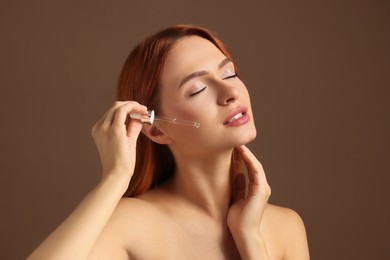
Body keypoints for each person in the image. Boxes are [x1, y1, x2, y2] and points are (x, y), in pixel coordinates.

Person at [28, 25, 310, 259]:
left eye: (229, 73)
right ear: (157, 130)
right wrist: (114, 180)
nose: (230, 92)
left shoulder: (285, 227)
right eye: (198, 89)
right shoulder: (130, 224)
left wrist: (250, 240)